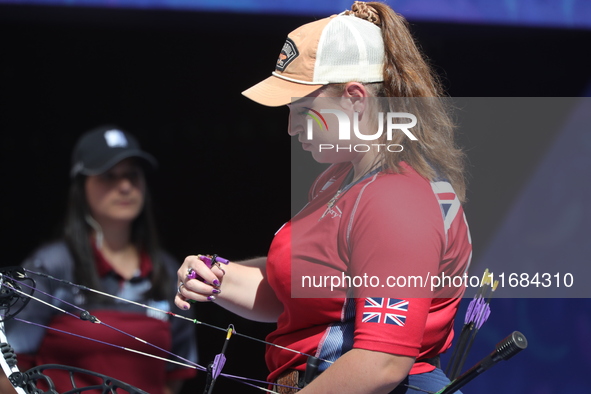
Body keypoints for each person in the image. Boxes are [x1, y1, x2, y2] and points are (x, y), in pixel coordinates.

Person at [175, 2, 471, 393]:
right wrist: (217, 278)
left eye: (303, 109)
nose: (291, 127)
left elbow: (382, 363)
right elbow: (301, 287)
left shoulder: (397, 201)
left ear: (355, 98)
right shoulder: (341, 179)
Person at [1, 125, 198, 394]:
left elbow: (174, 377)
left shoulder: (166, 270)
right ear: (82, 187)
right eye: (108, 176)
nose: (125, 186)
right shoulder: (49, 265)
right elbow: (8, 372)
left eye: (132, 175)